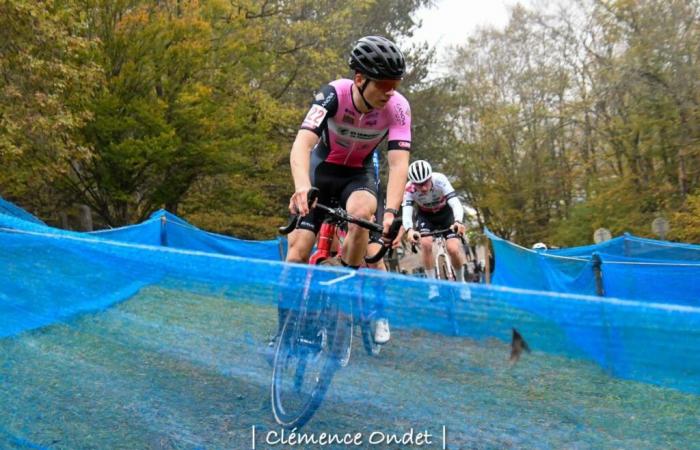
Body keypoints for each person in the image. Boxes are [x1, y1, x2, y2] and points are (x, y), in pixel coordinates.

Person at [278, 36, 411, 348]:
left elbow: (398, 163)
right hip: (320, 172)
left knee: (364, 214)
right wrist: (301, 187)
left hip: (358, 176)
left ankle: (339, 292)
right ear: (360, 79)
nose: (391, 91)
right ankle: (283, 334)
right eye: (385, 83)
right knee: (298, 250)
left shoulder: (399, 108)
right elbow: (302, 144)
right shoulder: (332, 94)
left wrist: (391, 212)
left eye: (396, 83)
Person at [401, 160, 468, 292]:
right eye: (419, 185)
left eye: (425, 182)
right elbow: (407, 212)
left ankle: (461, 283)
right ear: (413, 183)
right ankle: (432, 286)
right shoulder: (409, 188)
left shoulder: (440, 180)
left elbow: (455, 203)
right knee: (425, 244)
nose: (423, 188)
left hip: (445, 214)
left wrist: (458, 221)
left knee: (453, 248)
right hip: (426, 216)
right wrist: (409, 230)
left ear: (430, 177)